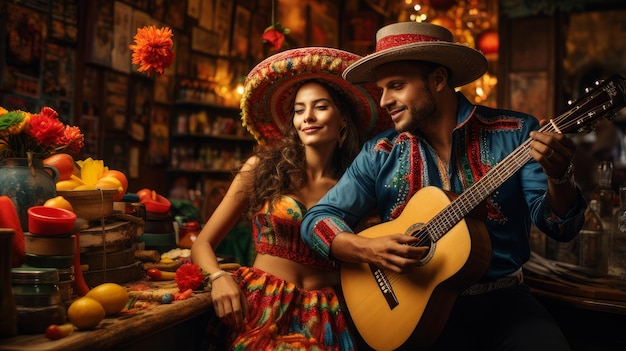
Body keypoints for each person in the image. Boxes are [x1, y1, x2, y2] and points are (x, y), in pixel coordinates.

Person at [301, 22, 587, 351]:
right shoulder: (380, 153)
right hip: (412, 306)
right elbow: (316, 219)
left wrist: (560, 177)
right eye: (381, 89)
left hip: (504, 302)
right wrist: (368, 250)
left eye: (396, 85)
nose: (384, 101)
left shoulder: (516, 132)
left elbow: (559, 226)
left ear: (438, 80)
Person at [190, 47, 390, 351]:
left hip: (330, 317)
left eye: (320, 107)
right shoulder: (262, 168)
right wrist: (218, 277)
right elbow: (202, 244)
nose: (307, 117)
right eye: (299, 110)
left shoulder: (359, 185)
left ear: (343, 121)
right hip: (260, 308)